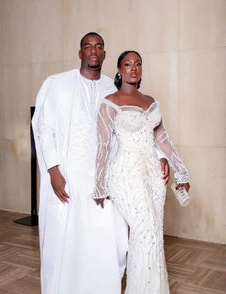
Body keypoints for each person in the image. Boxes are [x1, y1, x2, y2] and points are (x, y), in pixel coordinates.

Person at [32, 33, 170, 294]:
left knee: (107, 240)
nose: (93, 51)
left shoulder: (114, 89)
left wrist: (161, 156)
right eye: (88, 47)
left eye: (99, 47)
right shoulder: (57, 84)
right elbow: (44, 128)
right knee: (67, 239)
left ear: (105, 54)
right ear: (80, 53)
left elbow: (138, 128)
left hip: (106, 179)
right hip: (69, 176)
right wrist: (53, 170)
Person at [94, 50, 190, 294]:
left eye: (138, 64)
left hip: (154, 176)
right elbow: (103, 146)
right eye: (127, 64)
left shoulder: (150, 100)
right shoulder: (110, 102)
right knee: (143, 231)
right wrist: (99, 185)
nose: (133, 68)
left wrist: (182, 173)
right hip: (125, 174)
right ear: (119, 69)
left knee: (155, 234)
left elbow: (163, 140)